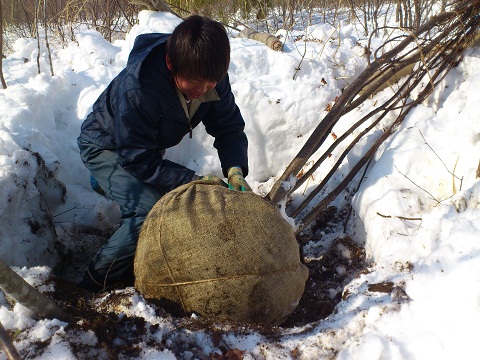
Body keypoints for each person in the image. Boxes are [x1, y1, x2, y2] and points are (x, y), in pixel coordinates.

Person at [76, 15, 251, 292]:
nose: (203, 91)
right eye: (194, 83)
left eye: (211, 83)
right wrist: (193, 180)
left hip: (143, 145)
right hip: (106, 145)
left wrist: (235, 169)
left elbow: (229, 128)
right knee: (149, 211)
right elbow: (137, 157)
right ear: (171, 64)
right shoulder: (139, 90)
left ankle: (110, 184)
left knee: (154, 192)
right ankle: (93, 280)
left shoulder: (210, 76)